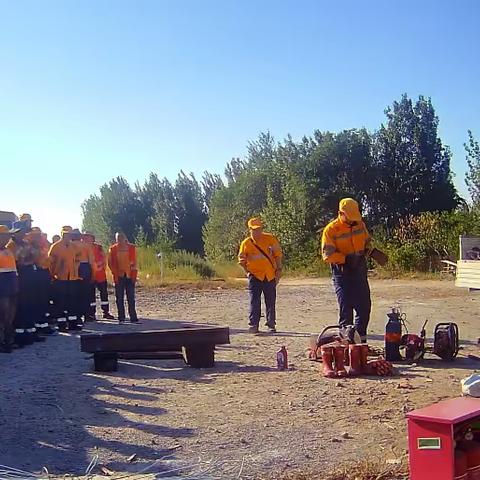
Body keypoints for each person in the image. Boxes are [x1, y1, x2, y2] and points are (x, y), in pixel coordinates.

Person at [321, 198, 372, 343]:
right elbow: (327, 255)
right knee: (346, 309)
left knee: (364, 308)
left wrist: (371, 252)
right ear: (340, 213)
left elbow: (366, 242)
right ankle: (346, 344)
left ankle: (360, 342)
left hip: (359, 270)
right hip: (342, 272)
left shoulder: (360, 224)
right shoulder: (331, 230)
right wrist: (346, 259)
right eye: (350, 219)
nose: (353, 221)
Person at [238, 217, 283, 334]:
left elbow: (277, 255)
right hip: (255, 276)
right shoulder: (246, 243)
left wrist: (279, 269)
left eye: (259, 229)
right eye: (254, 229)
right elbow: (241, 260)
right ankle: (254, 325)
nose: (257, 232)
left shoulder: (270, 239)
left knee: (270, 301)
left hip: (269, 275)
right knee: (254, 301)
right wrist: (247, 272)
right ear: (249, 230)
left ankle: (271, 325)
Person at [7, 218, 45, 344]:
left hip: (30, 276)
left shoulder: (26, 244)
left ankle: (31, 333)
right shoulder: (10, 246)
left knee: (31, 305)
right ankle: (20, 337)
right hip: (19, 276)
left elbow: (35, 257)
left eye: (23, 231)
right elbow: (16, 261)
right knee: (21, 307)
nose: (22, 234)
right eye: (19, 231)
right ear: (14, 233)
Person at [48, 226, 82, 331]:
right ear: (62, 234)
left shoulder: (74, 247)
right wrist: (53, 274)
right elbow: (50, 263)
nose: (67, 236)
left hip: (72, 279)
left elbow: (78, 258)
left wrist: (76, 268)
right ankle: (62, 325)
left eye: (69, 234)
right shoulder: (55, 247)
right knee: (60, 303)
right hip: (60, 279)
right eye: (65, 234)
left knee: (73, 302)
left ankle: (73, 323)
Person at [108, 232, 138, 323]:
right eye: (118, 239)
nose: (120, 240)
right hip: (119, 276)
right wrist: (115, 272)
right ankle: (121, 317)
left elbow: (135, 262)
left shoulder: (132, 248)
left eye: (121, 238)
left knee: (131, 297)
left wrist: (134, 275)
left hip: (129, 275)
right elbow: (110, 263)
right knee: (119, 298)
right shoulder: (112, 249)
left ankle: (133, 317)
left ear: (125, 238)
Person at [0, 225, 20, 353]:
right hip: (2, 287)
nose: (8, 238)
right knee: (3, 315)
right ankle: (3, 342)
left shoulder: (8, 250)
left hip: (11, 286)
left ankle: (8, 340)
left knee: (10, 315)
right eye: (6, 235)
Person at [89, 234, 114, 320]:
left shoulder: (99, 247)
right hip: (91, 276)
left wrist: (102, 267)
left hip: (100, 275)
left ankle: (106, 312)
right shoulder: (84, 247)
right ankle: (91, 314)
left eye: (88, 237)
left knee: (104, 294)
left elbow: (104, 258)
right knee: (91, 296)